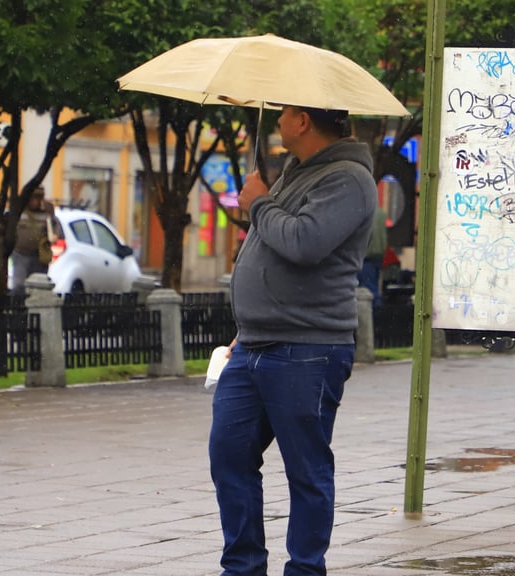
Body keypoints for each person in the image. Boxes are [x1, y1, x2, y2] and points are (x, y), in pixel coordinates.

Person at [209, 106, 376, 576]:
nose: (278, 120)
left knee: (306, 469)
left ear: (303, 121)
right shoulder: (295, 172)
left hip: (308, 347)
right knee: (229, 455)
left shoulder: (348, 179)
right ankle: (242, 567)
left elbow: (304, 243)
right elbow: (271, 247)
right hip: (255, 345)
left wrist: (259, 203)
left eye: (285, 112)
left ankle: (304, 569)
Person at [11, 187, 61, 294]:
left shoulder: (47, 209)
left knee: (39, 287)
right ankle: (18, 308)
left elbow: (54, 226)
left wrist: (54, 235)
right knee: (19, 286)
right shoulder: (19, 209)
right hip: (20, 254)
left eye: (38, 198)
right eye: (33, 198)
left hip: (39, 255)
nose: (35, 201)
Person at [357, 204, 387, 307]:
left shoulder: (362, 212)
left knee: (367, 293)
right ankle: (377, 318)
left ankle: (372, 319)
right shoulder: (381, 213)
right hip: (377, 257)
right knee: (373, 290)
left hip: (365, 257)